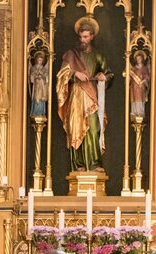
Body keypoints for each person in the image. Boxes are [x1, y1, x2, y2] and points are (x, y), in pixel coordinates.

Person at [56, 17, 111, 172]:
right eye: (80, 37)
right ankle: (78, 165)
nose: (82, 40)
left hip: (91, 96)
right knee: (76, 128)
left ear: (92, 36)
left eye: (85, 37)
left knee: (93, 129)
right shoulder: (70, 55)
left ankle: (94, 164)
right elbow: (61, 74)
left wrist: (104, 76)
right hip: (76, 96)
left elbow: (109, 74)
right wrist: (75, 74)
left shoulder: (98, 56)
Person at [129, 51, 150, 118]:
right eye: (137, 59)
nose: (138, 60)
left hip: (141, 87)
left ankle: (140, 113)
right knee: (134, 99)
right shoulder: (133, 68)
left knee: (140, 100)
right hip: (134, 87)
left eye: (140, 59)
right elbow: (130, 78)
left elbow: (147, 77)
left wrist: (142, 82)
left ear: (142, 59)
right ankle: (134, 113)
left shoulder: (145, 68)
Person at [29, 52, 49, 118]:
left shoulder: (44, 69)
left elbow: (47, 78)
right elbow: (31, 79)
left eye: (41, 60)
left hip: (42, 86)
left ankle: (41, 113)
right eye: (39, 60)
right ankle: (35, 113)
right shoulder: (33, 68)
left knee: (41, 99)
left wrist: (42, 77)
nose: (40, 61)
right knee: (36, 98)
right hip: (36, 86)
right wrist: (36, 76)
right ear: (36, 60)